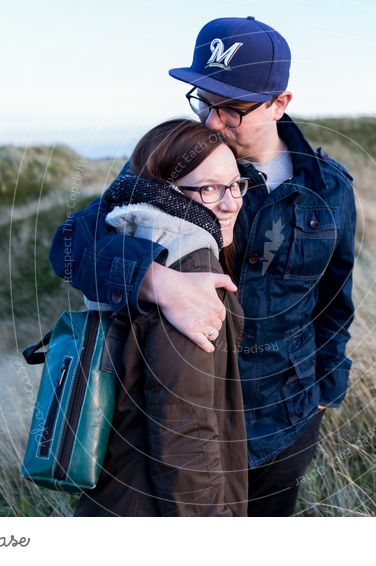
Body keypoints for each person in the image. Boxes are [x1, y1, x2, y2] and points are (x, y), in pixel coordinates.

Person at [51, 16, 356, 516]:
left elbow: (335, 302)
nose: (213, 122)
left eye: (233, 109)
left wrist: (326, 390)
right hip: (185, 424)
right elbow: (68, 246)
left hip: (287, 422)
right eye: (204, 102)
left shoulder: (330, 189)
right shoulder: (174, 166)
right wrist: (155, 280)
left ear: (281, 103)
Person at [74, 119, 248, 516]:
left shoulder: (130, 237)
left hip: (114, 491)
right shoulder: (193, 270)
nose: (230, 202)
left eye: (236, 184)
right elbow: (186, 433)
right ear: (165, 190)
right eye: (209, 189)